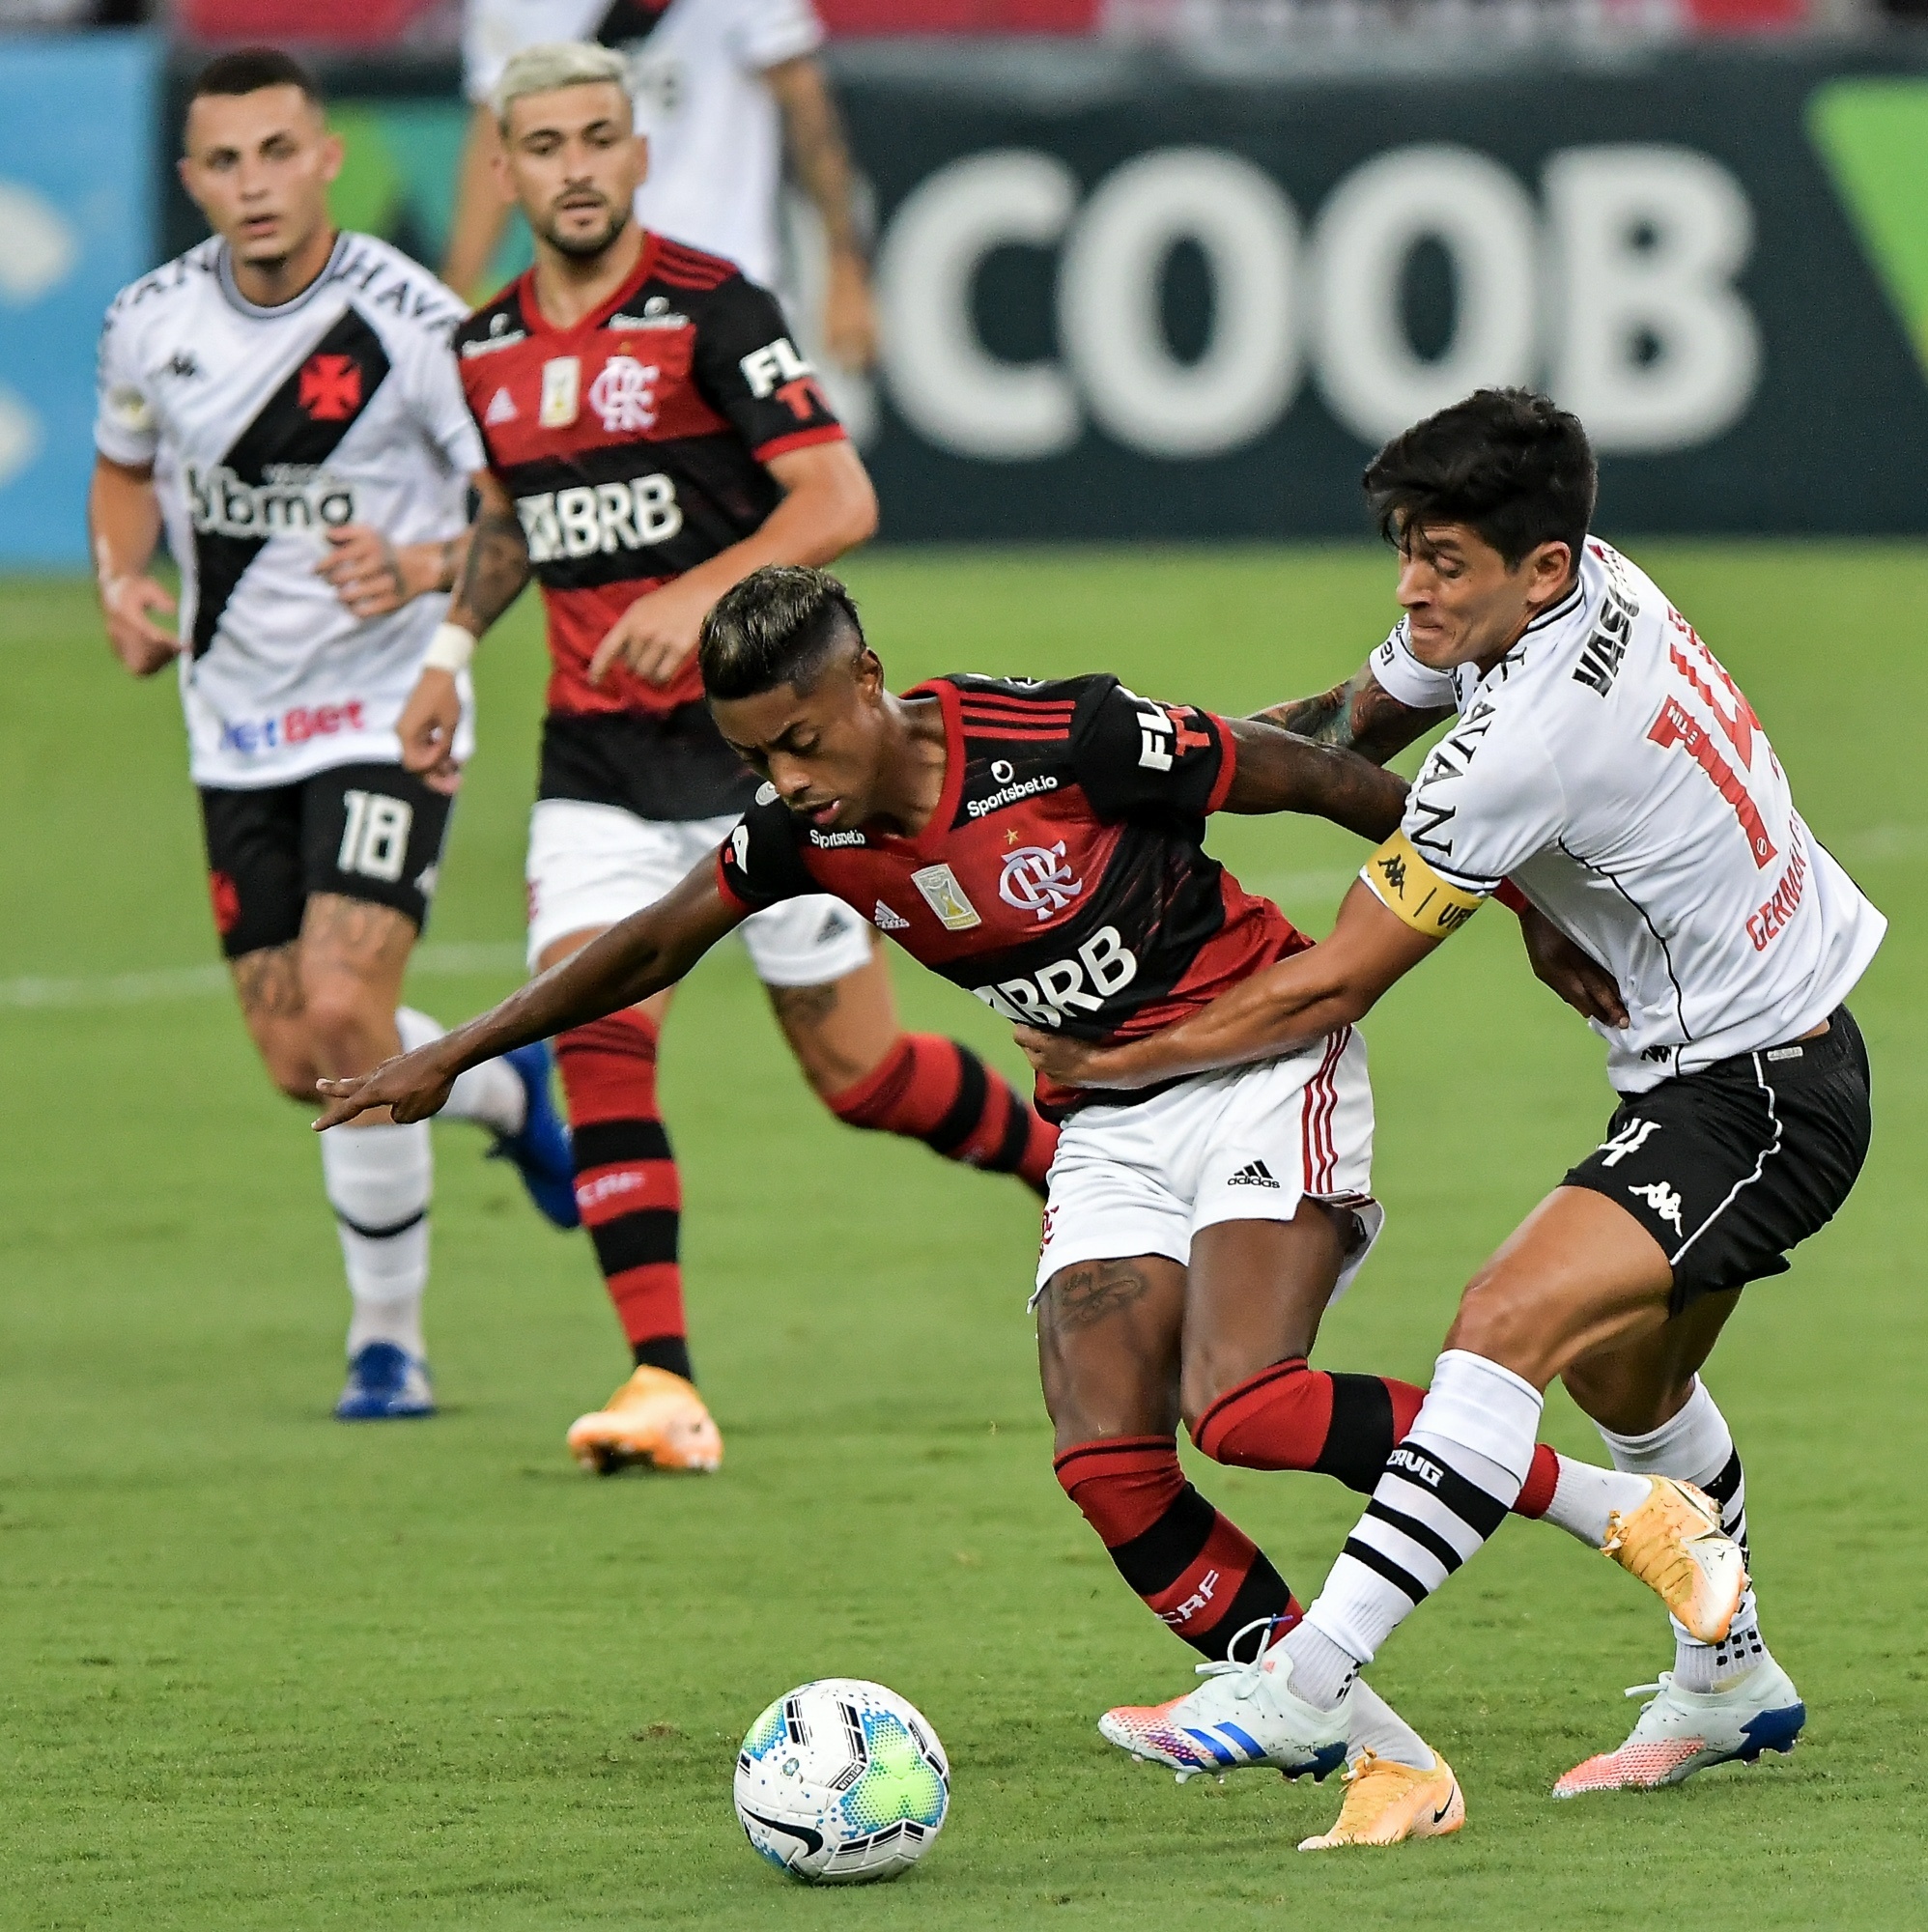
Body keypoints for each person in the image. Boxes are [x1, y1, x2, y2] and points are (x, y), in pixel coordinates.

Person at [319, 563, 1735, 1848]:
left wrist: (1527, 912)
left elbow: (1308, 777)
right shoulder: (798, 840)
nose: (789, 781)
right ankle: (1385, 1762)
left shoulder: (1056, 739)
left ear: (866, 683)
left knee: (1243, 1406)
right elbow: (648, 941)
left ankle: (1622, 1508)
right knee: (1107, 1459)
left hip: (1259, 1056)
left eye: (803, 742)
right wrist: (453, 1052)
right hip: (1105, 1126)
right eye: (755, 758)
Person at [1018, 387, 1882, 1829]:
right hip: (1729, 1063)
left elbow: (1329, 983)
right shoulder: (1578, 582)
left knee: (1501, 1327)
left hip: (1760, 1092)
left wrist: (1111, 1068)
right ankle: (1727, 1676)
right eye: (1407, 548)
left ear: (1539, 568)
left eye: (1445, 561)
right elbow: (1347, 723)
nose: (1414, 585)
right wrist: (1151, 770)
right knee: (1629, 1387)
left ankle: (1304, 1681)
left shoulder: (1531, 730)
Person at [398, 44, 1054, 1475]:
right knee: (597, 1035)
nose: (574, 167)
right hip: (593, 764)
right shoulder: (484, 349)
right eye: (545, 145)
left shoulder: (712, 309)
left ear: (639, 155)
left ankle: (1062, 1167)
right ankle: (660, 1378)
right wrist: (448, 654)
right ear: (504, 169)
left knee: (863, 1072)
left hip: (772, 765)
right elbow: (515, 522)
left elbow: (839, 493)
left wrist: (704, 595)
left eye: (599, 139)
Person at [89, 48, 577, 1423]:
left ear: (324, 159)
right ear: (193, 180)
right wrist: (127, 584)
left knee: (350, 1011)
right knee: (296, 1057)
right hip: (230, 724)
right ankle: (504, 1090)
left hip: (386, 704)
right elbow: (123, 476)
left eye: (275, 152)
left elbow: (511, 513)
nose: (252, 183)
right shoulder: (148, 323)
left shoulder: (413, 322)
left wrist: (424, 578)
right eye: (223, 162)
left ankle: (388, 1349)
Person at [442, 0, 878, 379]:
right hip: (586, 309)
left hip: (723, 290)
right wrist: (453, 303)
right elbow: (493, 141)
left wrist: (845, 268)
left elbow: (806, 107)